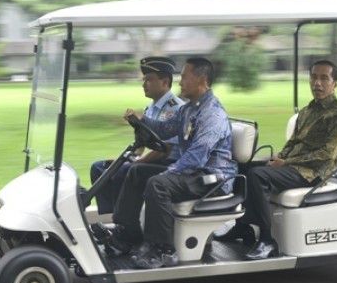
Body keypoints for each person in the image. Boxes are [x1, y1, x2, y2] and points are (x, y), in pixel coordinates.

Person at [102, 57, 237, 269]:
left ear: (201, 80)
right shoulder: (188, 109)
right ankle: (127, 232)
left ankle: (163, 249)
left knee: (158, 184)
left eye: (184, 77)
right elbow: (164, 130)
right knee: (137, 170)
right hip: (193, 173)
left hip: (213, 178)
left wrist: (169, 172)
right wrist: (141, 121)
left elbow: (197, 156)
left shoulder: (212, 114)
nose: (180, 82)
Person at [215, 60, 337, 260]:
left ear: (335, 84)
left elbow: (327, 155)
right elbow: (294, 141)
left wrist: (285, 163)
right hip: (294, 166)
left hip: (313, 172)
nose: (317, 83)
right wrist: (280, 156)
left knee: (257, 176)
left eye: (324, 78)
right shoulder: (307, 111)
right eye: (314, 77)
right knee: (243, 168)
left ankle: (267, 240)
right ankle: (242, 227)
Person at [89, 56, 184, 214]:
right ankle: (109, 217)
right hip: (153, 160)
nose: (143, 84)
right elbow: (141, 143)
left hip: (169, 164)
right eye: (144, 79)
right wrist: (125, 158)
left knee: (122, 172)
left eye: (149, 80)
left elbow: (164, 149)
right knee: (99, 167)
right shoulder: (150, 108)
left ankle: (124, 219)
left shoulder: (176, 109)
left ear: (165, 82)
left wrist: (136, 162)